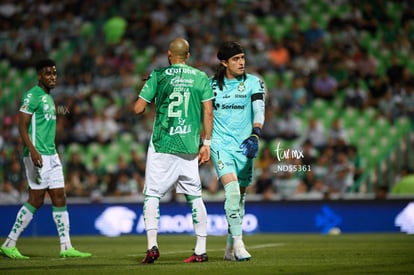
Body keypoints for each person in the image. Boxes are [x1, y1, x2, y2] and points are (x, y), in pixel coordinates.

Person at [0, 59, 91, 259]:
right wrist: (32, 150)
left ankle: (66, 246)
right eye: (48, 73)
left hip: (52, 154)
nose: (52, 77)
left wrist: (67, 110)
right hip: (37, 154)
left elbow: (55, 115)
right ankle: (9, 243)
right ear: (39, 75)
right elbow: (21, 125)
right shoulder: (32, 95)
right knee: (36, 199)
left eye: (55, 73)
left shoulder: (49, 99)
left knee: (59, 196)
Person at [133, 37, 213, 264]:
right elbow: (208, 113)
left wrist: (151, 87)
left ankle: (152, 246)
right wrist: (206, 144)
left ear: (169, 54)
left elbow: (138, 108)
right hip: (189, 146)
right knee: (195, 197)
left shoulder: (158, 76)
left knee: (152, 194)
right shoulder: (201, 77)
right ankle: (201, 250)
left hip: (163, 145)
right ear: (188, 56)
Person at [210, 41, 265, 261]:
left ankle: (229, 247)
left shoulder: (254, 82)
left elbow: (258, 109)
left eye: (242, 57)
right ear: (224, 63)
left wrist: (255, 134)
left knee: (240, 197)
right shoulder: (210, 85)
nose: (241, 62)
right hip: (220, 145)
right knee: (232, 193)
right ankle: (240, 245)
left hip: (245, 146)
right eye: (235, 59)